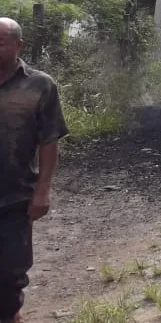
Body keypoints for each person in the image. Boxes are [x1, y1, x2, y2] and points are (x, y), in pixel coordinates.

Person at [0, 17, 68, 323]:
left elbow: (49, 140)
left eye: (0, 42)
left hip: (14, 198)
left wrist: (43, 190)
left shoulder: (40, 84)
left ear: (18, 46)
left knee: (9, 274)